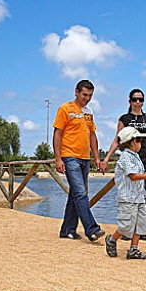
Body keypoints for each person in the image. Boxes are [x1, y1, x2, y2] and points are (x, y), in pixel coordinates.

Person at [101, 88, 146, 241]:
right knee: (129, 195)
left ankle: (142, 230)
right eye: (135, 99)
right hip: (131, 159)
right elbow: (117, 140)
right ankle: (127, 230)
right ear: (130, 101)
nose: (138, 102)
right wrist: (106, 158)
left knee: (144, 195)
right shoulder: (125, 118)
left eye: (140, 99)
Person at [53, 79, 105, 242]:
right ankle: (92, 229)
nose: (87, 98)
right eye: (84, 95)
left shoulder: (89, 112)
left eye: (90, 95)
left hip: (85, 158)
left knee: (75, 194)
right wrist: (58, 159)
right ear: (76, 92)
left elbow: (92, 135)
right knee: (81, 193)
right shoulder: (65, 109)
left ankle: (67, 230)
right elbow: (57, 134)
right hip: (69, 157)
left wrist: (96, 157)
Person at [104, 126, 146, 260]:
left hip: (139, 197)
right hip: (127, 198)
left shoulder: (136, 157)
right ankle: (112, 239)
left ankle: (133, 249)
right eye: (139, 141)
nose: (141, 144)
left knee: (141, 224)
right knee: (126, 225)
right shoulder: (125, 157)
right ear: (132, 142)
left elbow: (139, 175)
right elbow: (133, 176)